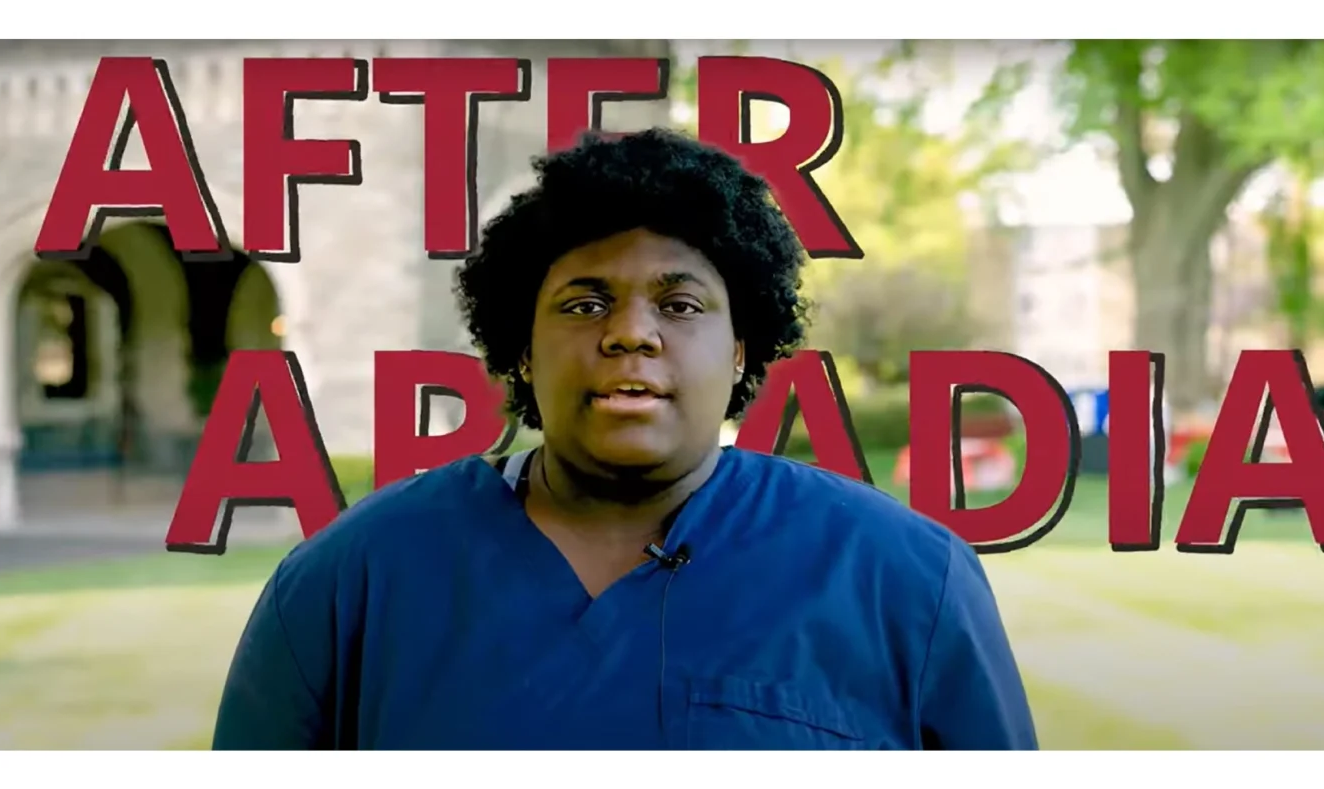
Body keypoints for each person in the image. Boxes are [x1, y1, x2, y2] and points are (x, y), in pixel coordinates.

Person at [211, 128, 1038, 750]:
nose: (630, 334)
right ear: (522, 350)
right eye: (582, 304)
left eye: (680, 305)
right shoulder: (348, 583)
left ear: (743, 348)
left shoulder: (907, 579)